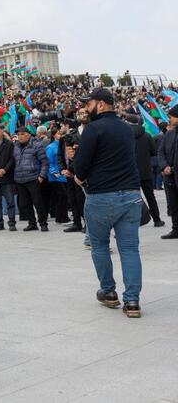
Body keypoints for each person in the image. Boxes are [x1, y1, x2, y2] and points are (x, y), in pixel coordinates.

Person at [73, 88, 143, 318]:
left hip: (102, 195)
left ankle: (109, 292)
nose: (85, 108)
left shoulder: (93, 128)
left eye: (89, 103)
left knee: (100, 245)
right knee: (130, 249)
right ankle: (132, 301)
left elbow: (82, 164)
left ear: (101, 104)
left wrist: (78, 176)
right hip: (131, 194)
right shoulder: (126, 128)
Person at [13, 126, 49, 231]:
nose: (20, 136)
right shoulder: (15, 147)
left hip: (33, 178)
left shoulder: (37, 145)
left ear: (28, 135)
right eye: (18, 134)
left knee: (38, 202)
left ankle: (43, 223)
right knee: (25, 203)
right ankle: (32, 223)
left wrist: (41, 176)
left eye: (22, 134)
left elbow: (44, 162)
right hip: (20, 179)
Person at [129, 119, 163, 228]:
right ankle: (157, 220)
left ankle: (133, 221)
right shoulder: (147, 136)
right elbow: (154, 152)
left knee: (132, 198)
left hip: (130, 172)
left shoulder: (125, 136)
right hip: (145, 171)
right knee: (150, 196)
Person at [158, 105, 178, 239]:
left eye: (171, 117)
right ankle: (176, 229)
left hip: (174, 173)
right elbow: (161, 152)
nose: (168, 119)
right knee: (173, 205)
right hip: (170, 178)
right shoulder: (169, 134)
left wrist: (173, 169)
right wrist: (164, 166)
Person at [45, 127, 69, 224]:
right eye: (59, 133)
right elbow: (48, 162)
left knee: (63, 196)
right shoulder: (50, 147)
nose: (60, 135)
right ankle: (60, 217)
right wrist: (54, 172)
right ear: (54, 135)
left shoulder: (64, 145)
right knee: (62, 195)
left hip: (64, 173)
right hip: (55, 175)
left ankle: (63, 216)